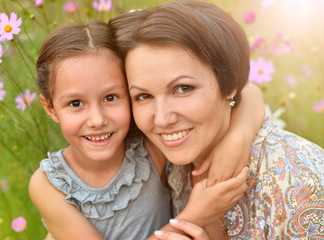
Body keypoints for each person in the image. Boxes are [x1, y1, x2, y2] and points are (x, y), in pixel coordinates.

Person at [109, 0, 324, 239]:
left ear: (229, 84)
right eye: (143, 96)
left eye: (183, 88)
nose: (162, 118)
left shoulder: (300, 184)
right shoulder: (161, 160)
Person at [28, 20, 260, 240]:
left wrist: (237, 138)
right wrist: (197, 214)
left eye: (110, 97)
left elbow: (248, 91)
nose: (97, 120)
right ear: (50, 107)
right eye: (75, 103)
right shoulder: (49, 186)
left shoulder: (146, 149)